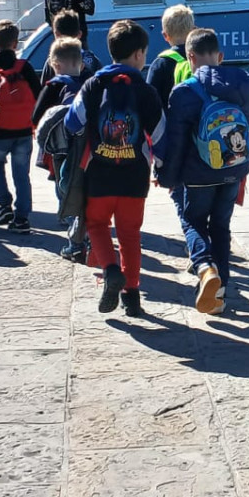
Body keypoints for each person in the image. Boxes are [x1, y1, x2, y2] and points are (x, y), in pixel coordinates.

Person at [65, 19, 166, 317]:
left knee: (96, 224)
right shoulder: (146, 91)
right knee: (130, 234)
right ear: (138, 54)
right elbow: (161, 135)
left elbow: (73, 122)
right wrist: (162, 167)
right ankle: (131, 296)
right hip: (135, 178)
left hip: (99, 175)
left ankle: (110, 269)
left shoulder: (93, 85)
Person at [158, 28, 249, 314]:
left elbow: (176, 141)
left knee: (193, 222)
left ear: (189, 57)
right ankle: (220, 292)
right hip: (233, 168)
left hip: (198, 174)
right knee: (221, 227)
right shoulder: (241, 85)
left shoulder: (184, 92)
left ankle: (204, 268)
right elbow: (247, 122)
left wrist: (168, 177)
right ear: (220, 56)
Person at [0, 20, 42, 232]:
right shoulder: (25, 67)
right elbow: (39, 96)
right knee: (21, 174)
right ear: (16, 43)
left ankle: (4, 205)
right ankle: (22, 218)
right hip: (24, 130)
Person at [35, 38, 89, 260]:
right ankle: (87, 234)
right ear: (81, 64)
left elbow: (36, 117)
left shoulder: (54, 86)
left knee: (65, 193)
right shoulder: (89, 84)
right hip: (87, 149)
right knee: (84, 192)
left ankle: (76, 242)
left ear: (54, 64)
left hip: (61, 150)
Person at [146, 4, 197, 109]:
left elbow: (149, 100)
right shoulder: (201, 58)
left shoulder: (160, 64)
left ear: (165, 35)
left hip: (170, 118)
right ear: (193, 30)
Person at [41, 10, 100, 80]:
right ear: (80, 34)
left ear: (56, 34)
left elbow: (45, 84)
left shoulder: (54, 61)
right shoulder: (92, 60)